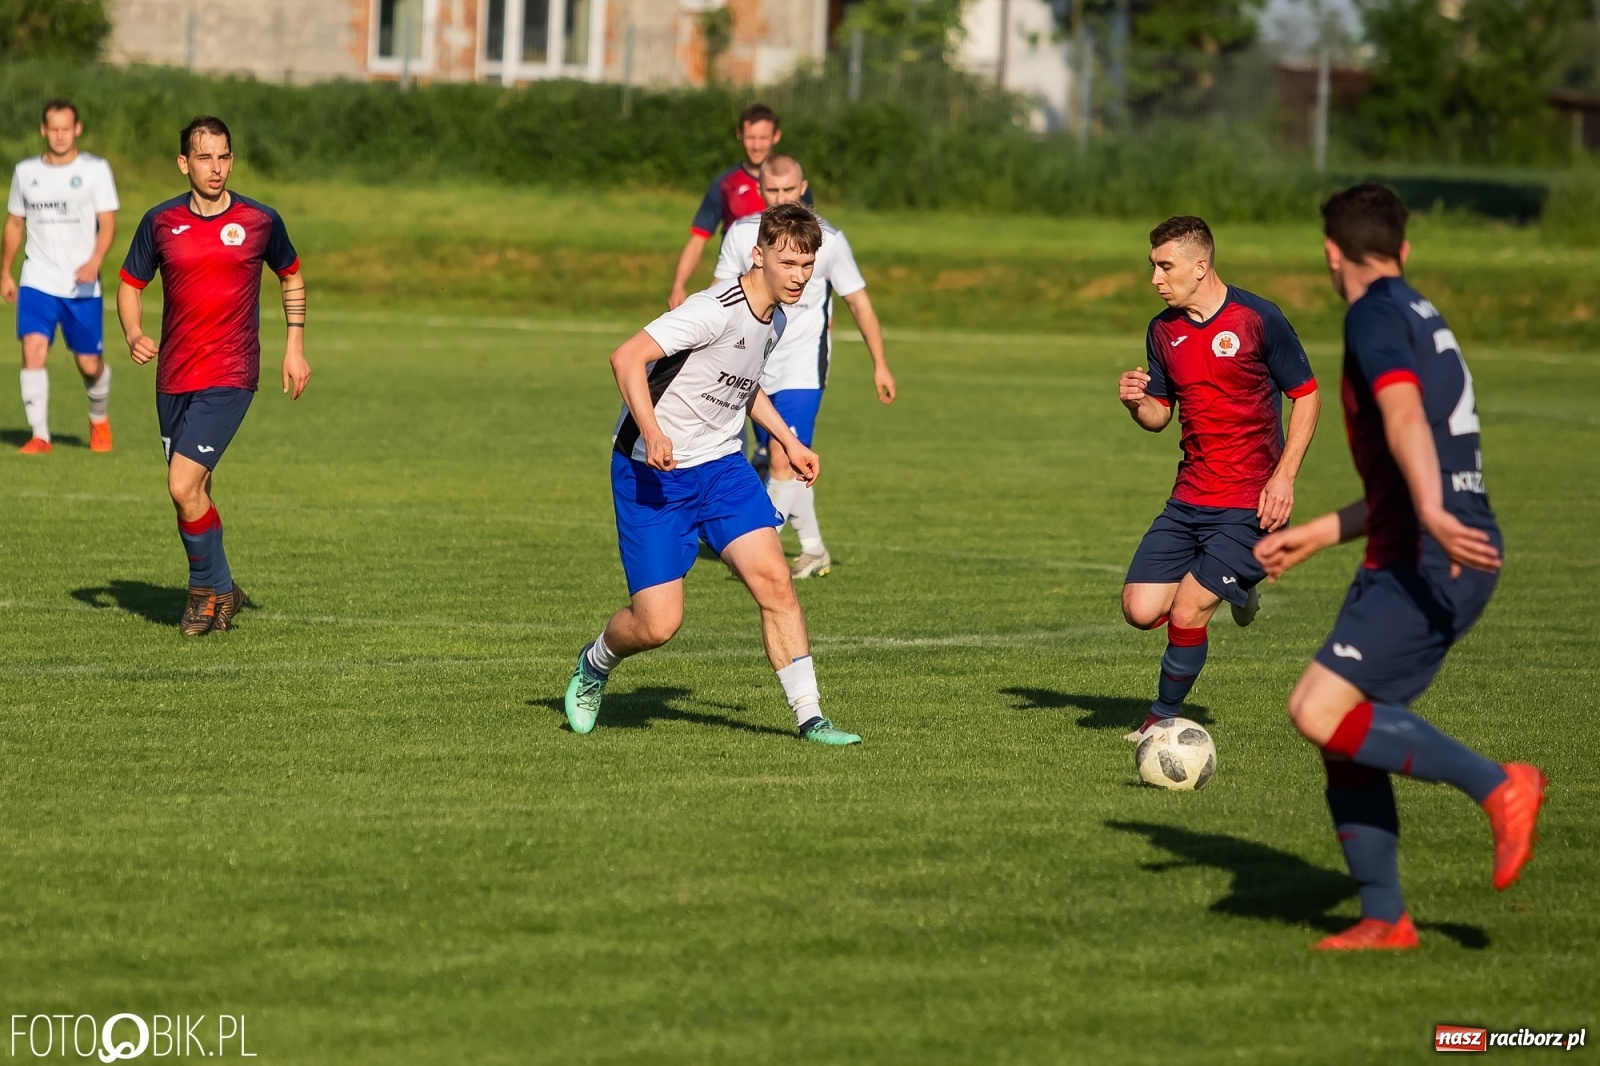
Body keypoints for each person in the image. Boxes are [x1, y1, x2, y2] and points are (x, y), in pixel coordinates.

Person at [1254, 184, 1545, 951]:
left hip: (1431, 551)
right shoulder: (1420, 310)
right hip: (1427, 543)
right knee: (1342, 730)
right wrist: (1321, 530)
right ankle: (1385, 918)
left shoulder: (1373, 314)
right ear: (1403, 249)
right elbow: (1404, 460)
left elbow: (1405, 414)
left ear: (1330, 253)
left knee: (1316, 710)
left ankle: (1498, 784)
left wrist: (1435, 511)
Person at [565, 202, 861, 746]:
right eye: (787, 262)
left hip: (721, 467)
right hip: (652, 472)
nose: (798, 275)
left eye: (806, 265)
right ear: (758, 254)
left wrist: (789, 442)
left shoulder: (776, 318)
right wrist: (653, 432)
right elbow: (626, 357)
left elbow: (745, 386)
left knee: (775, 582)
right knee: (657, 625)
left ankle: (811, 717)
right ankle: (594, 664)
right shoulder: (712, 310)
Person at [1118, 215, 1321, 740]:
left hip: (1251, 502)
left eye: (1166, 267)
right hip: (1190, 498)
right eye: (1153, 267)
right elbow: (1160, 417)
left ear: (1200, 265)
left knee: (1188, 611)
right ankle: (1241, 584)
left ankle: (1161, 718)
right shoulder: (1163, 330)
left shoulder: (1258, 319)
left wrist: (1284, 478)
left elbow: (1306, 393)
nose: (1156, 279)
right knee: (1140, 610)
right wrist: (1137, 403)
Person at [116, 115, 309, 636]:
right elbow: (130, 283)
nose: (216, 168)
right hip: (173, 375)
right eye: (205, 157)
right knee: (193, 489)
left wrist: (295, 347)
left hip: (231, 371)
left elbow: (290, 274)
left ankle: (204, 593)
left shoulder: (259, 221)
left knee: (181, 484)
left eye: (224, 156)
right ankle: (225, 589)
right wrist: (133, 333)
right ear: (184, 163)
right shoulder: (159, 222)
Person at [712, 154, 895, 579]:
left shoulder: (829, 240)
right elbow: (719, 294)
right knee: (783, 460)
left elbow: (858, 302)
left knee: (780, 459)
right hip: (753, 366)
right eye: (772, 191)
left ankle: (762, 552)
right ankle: (813, 549)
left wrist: (880, 364)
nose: (781, 198)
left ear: (803, 188)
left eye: (789, 190)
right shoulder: (743, 236)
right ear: (761, 190)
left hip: (802, 368)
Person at [3, 99, 119, 453]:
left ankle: (98, 418)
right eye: (53, 129)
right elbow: (15, 223)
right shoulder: (25, 172)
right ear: (43, 130)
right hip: (37, 278)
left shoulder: (96, 170)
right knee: (33, 349)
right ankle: (40, 435)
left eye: (65, 129)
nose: (59, 135)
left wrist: (95, 260)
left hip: (81, 285)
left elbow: (108, 223)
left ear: (77, 129)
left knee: (88, 364)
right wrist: (5, 271)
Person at [667, 103, 810, 310]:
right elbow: (698, 239)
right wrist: (679, 284)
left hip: (781, 289)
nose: (757, 145)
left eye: (763, 138)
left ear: (776, 137)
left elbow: (809, 245)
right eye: (751, 137)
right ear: (739, 135)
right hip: (736, 285)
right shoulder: (725, 184)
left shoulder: (794, 183)